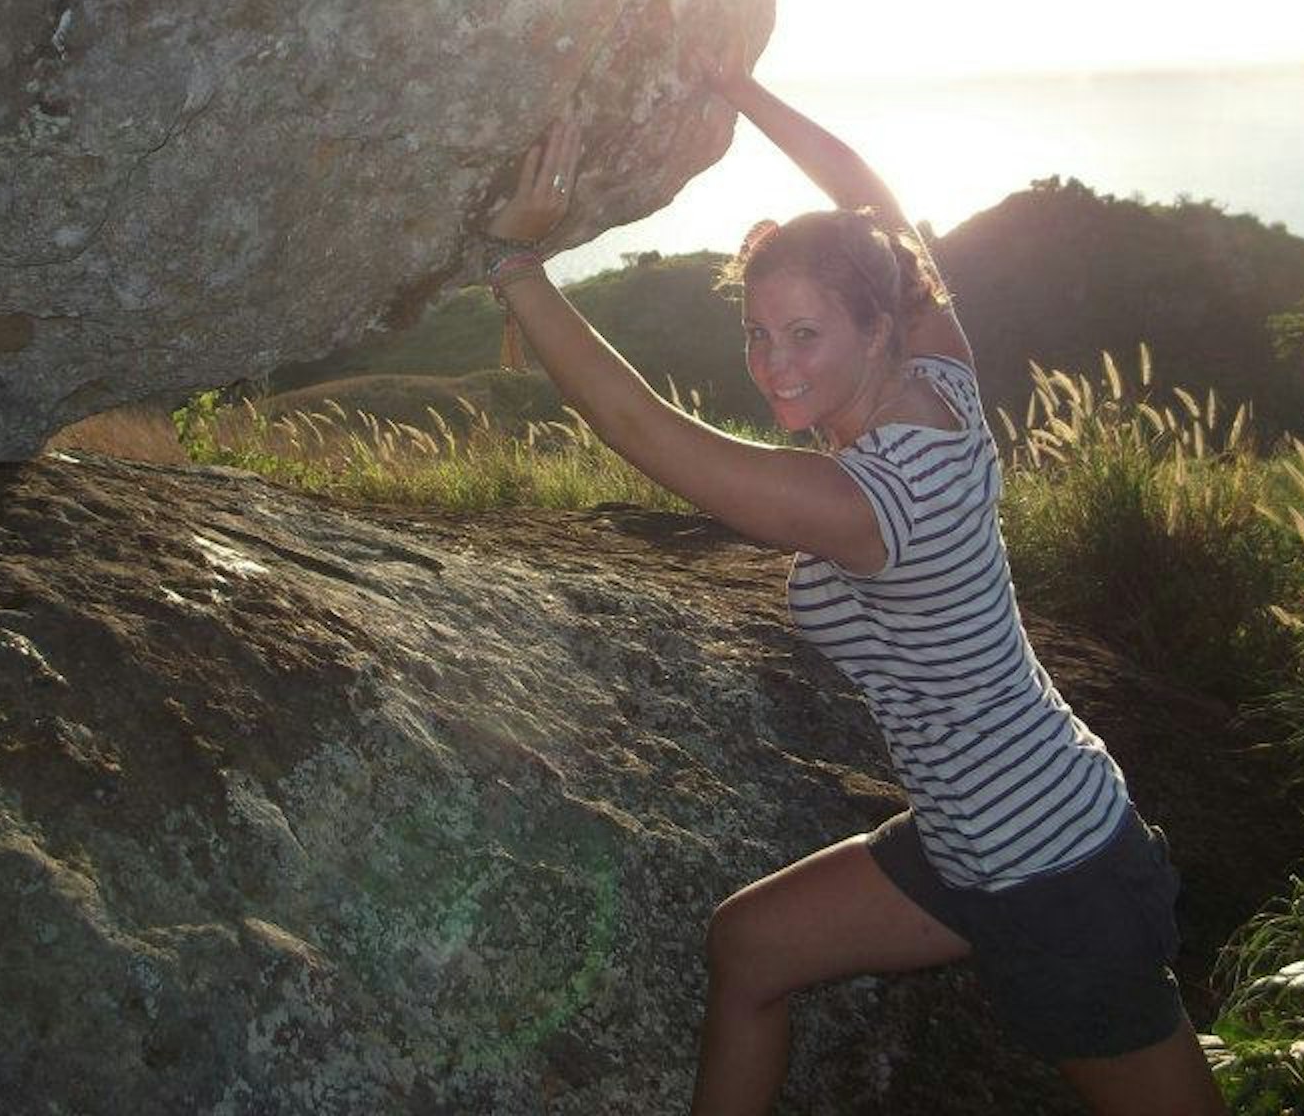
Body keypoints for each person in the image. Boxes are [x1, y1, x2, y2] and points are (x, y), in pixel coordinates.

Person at [479, 68, 1228, 1116]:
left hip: (1053, 873)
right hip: (973, 838)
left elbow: (646, 430)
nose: (773, 367)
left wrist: (516, 264)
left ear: (875, 328)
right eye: (759, 333)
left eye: (805, 335)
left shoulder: (869, 502)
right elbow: (868, 194)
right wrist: (723, 77)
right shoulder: (940, 373)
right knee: (748, 948)